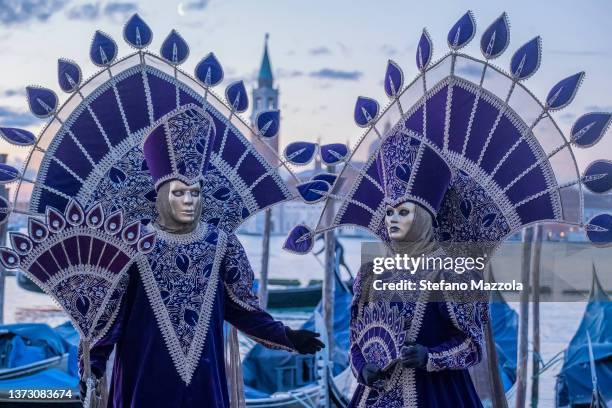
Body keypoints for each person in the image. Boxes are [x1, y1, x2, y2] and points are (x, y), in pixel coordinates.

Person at [80, 106, 324, 407]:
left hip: (203, 380)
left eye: (195, 193)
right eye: (179, 193)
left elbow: (243, 309)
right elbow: (110, 315)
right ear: (162, 194)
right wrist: (94, 363)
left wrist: (288, 336)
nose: (188, 201)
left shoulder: (222, 244)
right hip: (143, 376)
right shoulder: (133, 243)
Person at [348, 134, 487, 408]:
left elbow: (473, 344)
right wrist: (363, 368)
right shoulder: (371, 274)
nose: (393, 220)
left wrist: (430, 357)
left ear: (423, 216)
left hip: (437, 395)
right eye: (389, 213)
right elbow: (355, 337)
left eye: (403, 212)